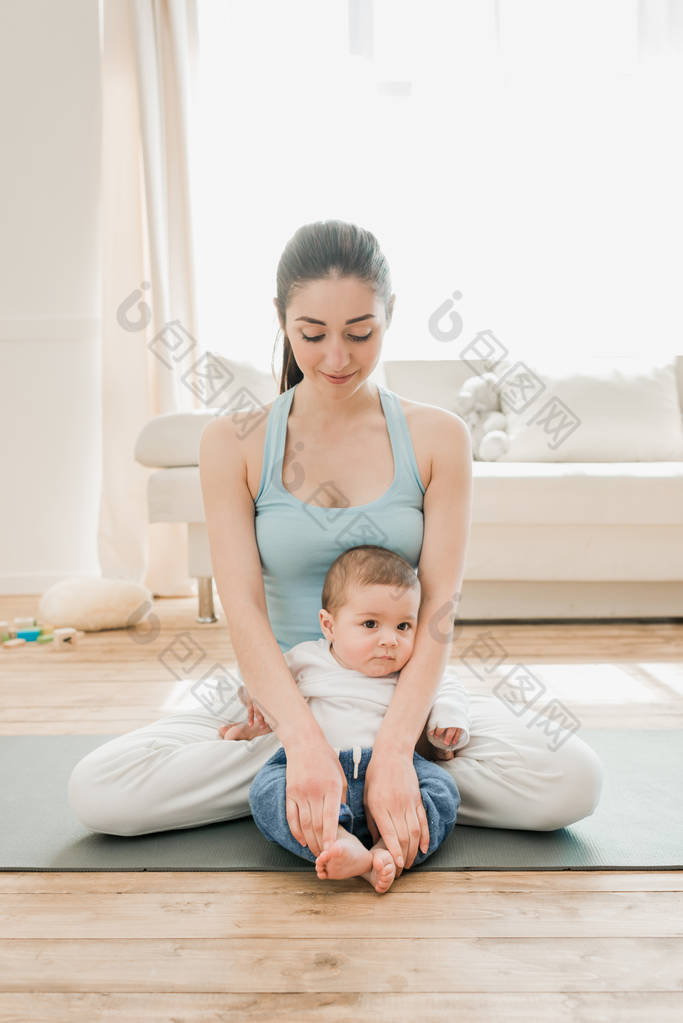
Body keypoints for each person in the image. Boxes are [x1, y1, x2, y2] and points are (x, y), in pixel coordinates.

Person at [66, 220, 604, 873]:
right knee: (98, 791)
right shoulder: (232, 441)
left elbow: (437, 613)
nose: (336, 358)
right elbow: (241, 612)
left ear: (390, 315)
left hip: (404, 692)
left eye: (360, 332)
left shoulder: (438, 437)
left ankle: (351, 788)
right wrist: (302, 735)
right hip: (285, 695)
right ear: (281, 319)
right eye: (312, 334)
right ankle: (315, 777)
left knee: (573, 778)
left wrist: (395, 747)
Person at [216, 545, 470, 893]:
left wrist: (446, 728)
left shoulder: (410, 669)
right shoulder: (306, 659)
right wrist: (251, 723)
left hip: (395, 772)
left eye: (403, 625)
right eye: (370, 624)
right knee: (266, 791)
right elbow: (262, 686)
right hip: (318, 771)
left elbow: (447, 688)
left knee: (443, 791)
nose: (389, 640)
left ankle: (387, 851)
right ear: (329, 625)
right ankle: (337, 840)